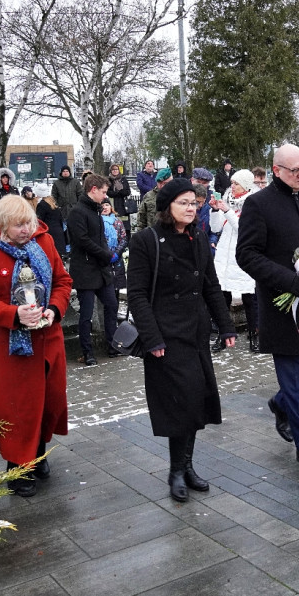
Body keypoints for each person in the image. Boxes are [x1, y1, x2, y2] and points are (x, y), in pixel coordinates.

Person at [127, 178, 236, 501]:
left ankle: (186, 465)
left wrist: (226, 326)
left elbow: (210, 285)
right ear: (167, 207)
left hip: (195, 331)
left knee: (195, 400)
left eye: (194, 203)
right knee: (179, 404)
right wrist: (152, 337)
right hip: (164, 334)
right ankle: (176, 470)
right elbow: (137, 294)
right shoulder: (147, 241)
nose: (191, 208)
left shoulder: (198, 237)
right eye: (184, 203)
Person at [236, 144, 299, 472]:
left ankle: (281, 405)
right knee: (294, 378)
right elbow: (247, 254)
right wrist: (286, 280)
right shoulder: (258, 204)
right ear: (276, 169)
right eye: (293, 169)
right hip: (283, 306)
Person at [0, 195, 72, 497]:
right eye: (18, 225)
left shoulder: (45, 242)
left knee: (46, 401)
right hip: (8, 348)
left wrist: (54, 308)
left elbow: (62, 281)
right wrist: (14, 314)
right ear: (1, 225)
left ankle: (36, 454)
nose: (26, 230)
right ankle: (17, 466)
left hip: (46, 339)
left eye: (29, 223)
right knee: (15, 408)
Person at [70, 174, 120, 365]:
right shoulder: (77, 212)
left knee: (112, 304)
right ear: (93, 190)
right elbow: (82, 240)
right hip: (85, 269)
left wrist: (108, 253)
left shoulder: (96, 211)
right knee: (86, 313)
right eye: (104, 192)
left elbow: (100, 238)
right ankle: (87, 351)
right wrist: (106, 255)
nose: (105, 196)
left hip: (100, 268)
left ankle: (112, 344)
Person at [209, 169, 260, 351]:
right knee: (223, 297)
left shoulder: (253, 202)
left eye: (236, 183)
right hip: (225, 255)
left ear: (245, 186)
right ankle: (224, 334)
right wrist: (215, 210)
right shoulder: (227, 199)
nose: (232, 186)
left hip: (243, 255)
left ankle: (255, 334)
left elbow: (243, 228)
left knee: (249, 298)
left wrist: (227, 211)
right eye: (231, 183)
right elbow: (215, 227)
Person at [101, 200, 128, 301]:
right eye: (102, 205)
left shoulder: (117, 221)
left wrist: (116, 253)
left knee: (116, 286)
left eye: (107, 205)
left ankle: (115, 311)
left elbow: (124, 238)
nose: (105, 207)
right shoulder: (97, 221)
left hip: (116, 259)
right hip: (103, 257)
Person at [34, 183, 67, 259]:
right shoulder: (54, 205)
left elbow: (39, 222)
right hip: (59, 233)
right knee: (59, 258)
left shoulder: (41, 205)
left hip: (49, 233)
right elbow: (60, 220)